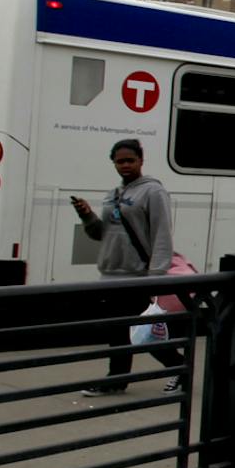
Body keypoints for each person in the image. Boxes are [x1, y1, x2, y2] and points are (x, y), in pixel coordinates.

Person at [72, 138, 186, 397]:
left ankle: (179, 367)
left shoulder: (153, 192)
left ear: (140, 161)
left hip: (138, 277)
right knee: (118, 332)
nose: (125, 165)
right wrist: (86, 215)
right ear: (113, 163)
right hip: (111, 277)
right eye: (119, 161)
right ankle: (118, 379)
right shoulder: (112, 195)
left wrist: (155, 277)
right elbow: (103, 234)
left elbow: (162, 235)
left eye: (130, 160)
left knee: (144, 332)